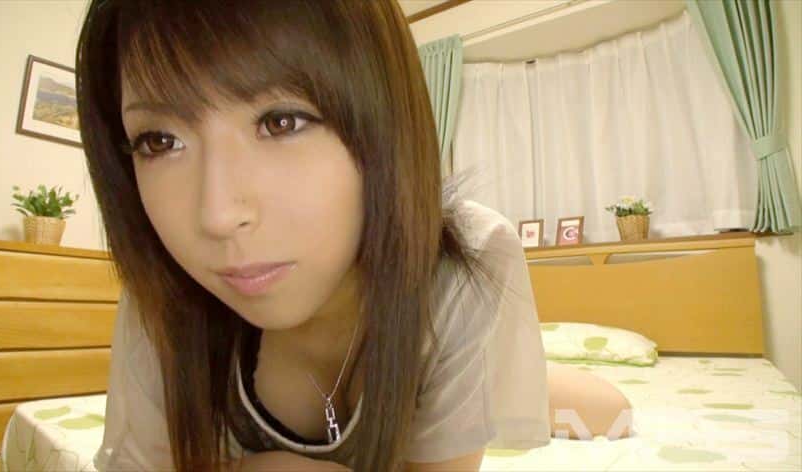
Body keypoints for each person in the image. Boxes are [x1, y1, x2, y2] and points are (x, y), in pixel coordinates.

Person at [76, 1, 631, 470]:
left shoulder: (465, 260)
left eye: (281, 122)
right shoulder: (164, 287)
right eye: (159, 141)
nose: (217, 216)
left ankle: (532, 376)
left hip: (445, 335)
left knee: (611, 412)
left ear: (384, 124)